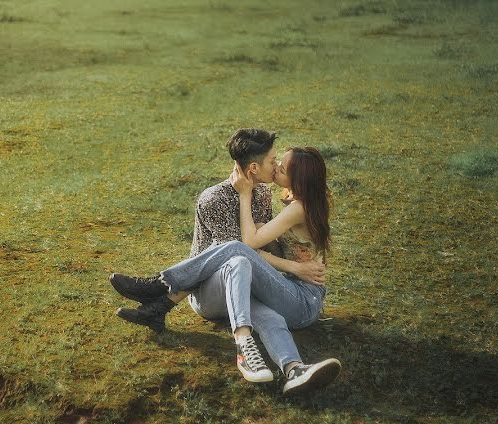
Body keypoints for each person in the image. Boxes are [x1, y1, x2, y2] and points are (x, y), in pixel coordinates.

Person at [110, 130, 341, 395]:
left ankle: (162, 287)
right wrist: (287, 258)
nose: (276, 167)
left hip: (299, 296)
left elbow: (249, 246)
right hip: (251, 288)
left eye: (282, 165)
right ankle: (293, 369)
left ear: (298, 180)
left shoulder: (283, 202)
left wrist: (247, 200)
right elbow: (255, 251)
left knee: (235, 250)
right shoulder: (218, 198)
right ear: (254, 168)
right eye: (274, 161)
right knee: (266, 313)